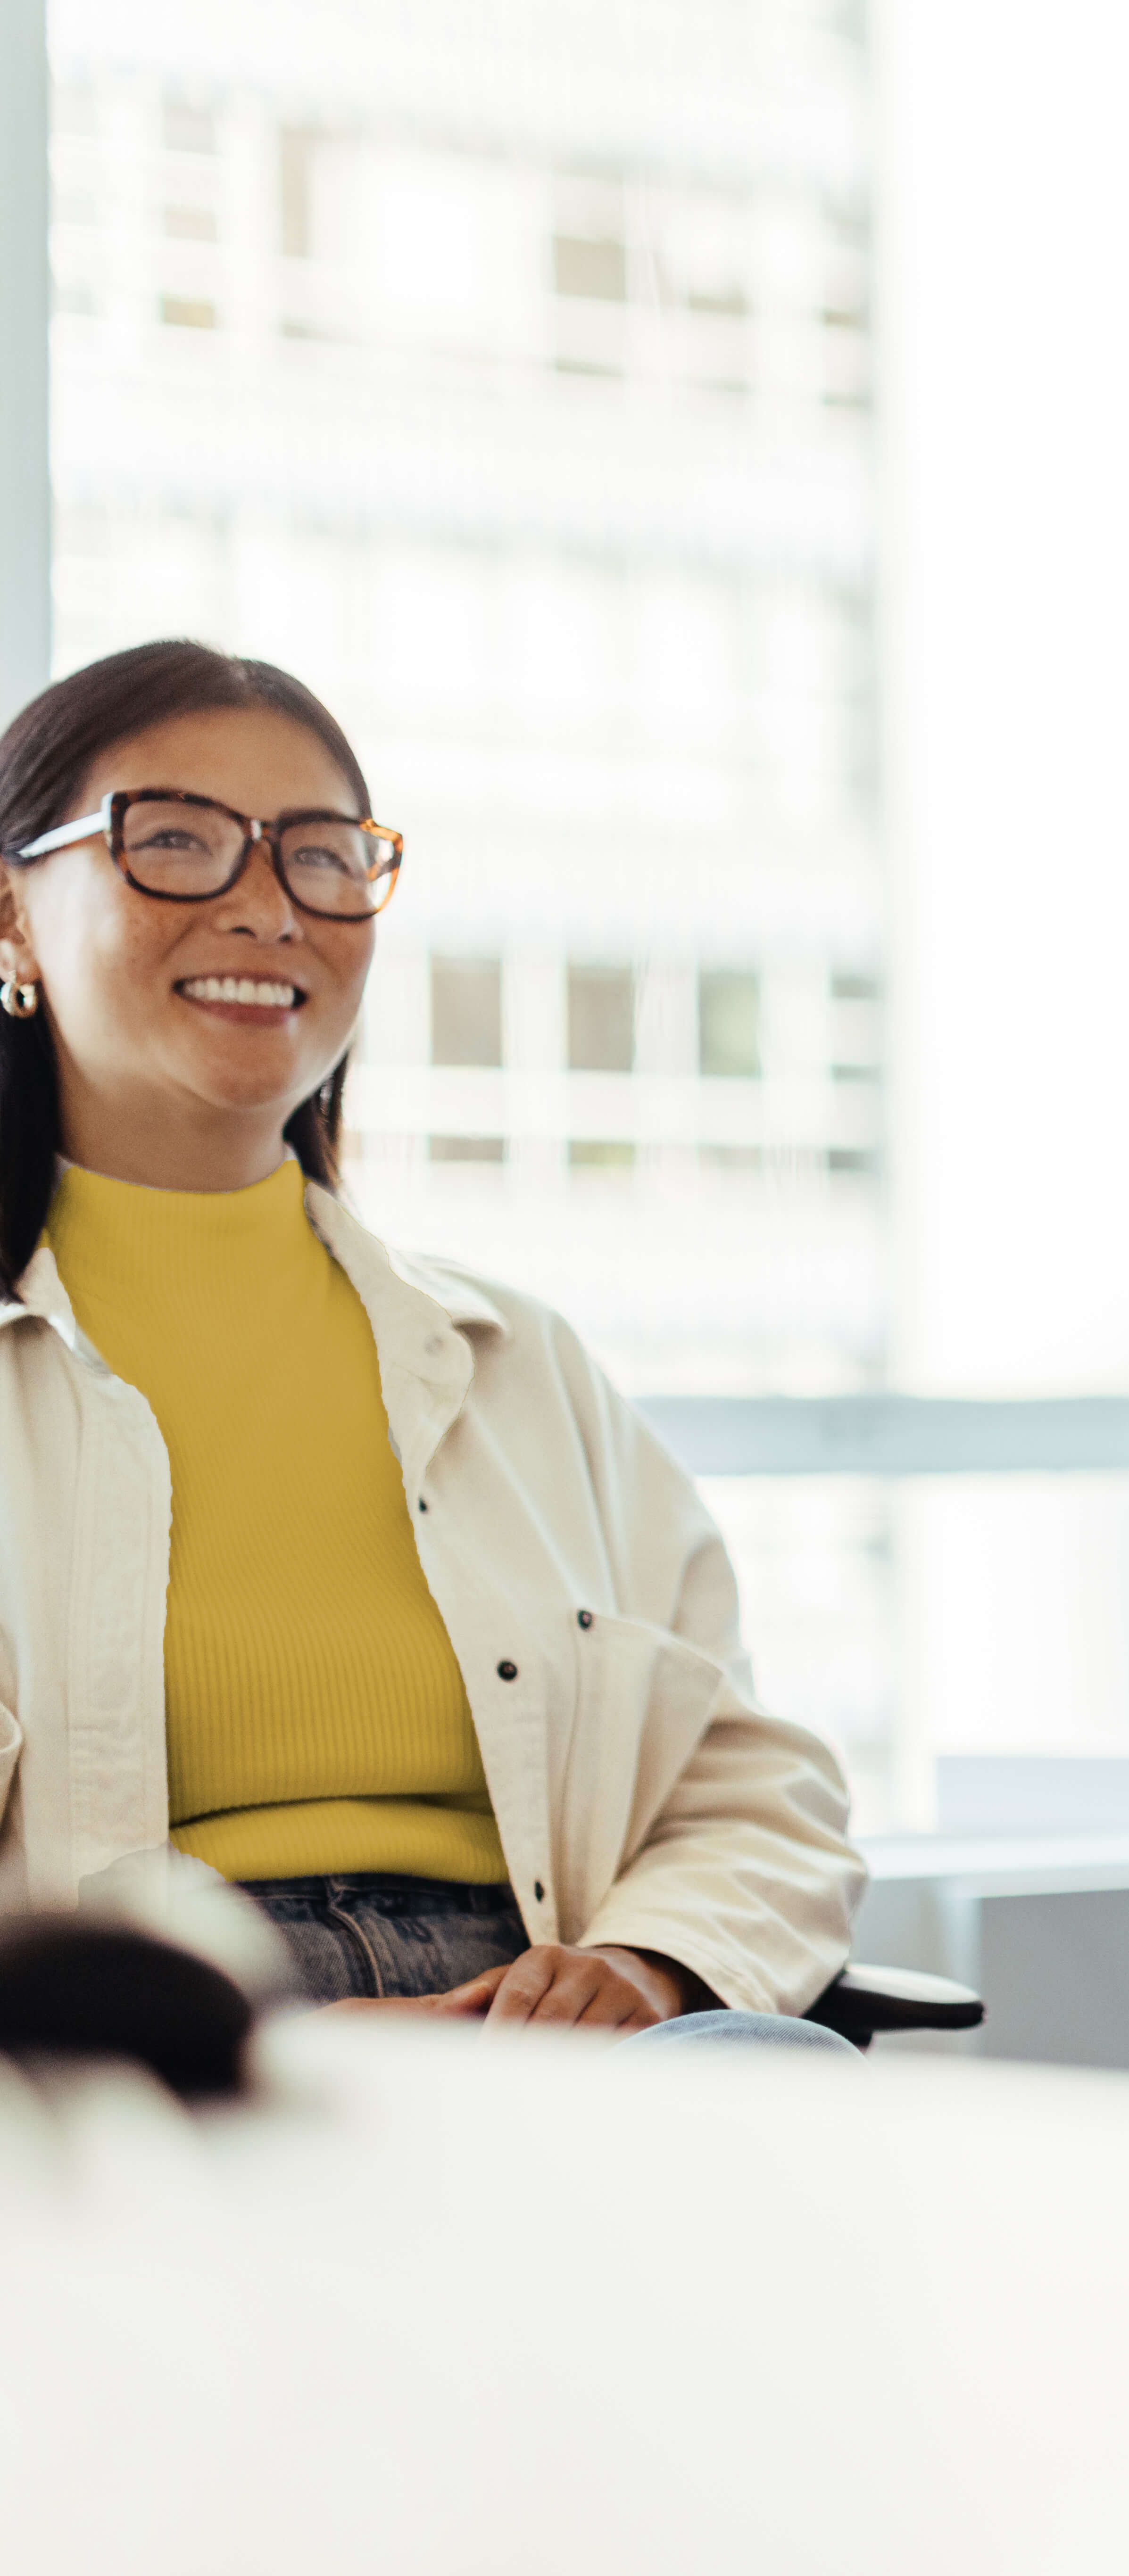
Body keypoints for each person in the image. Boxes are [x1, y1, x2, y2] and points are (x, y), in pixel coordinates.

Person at [0, 642, 863, 2050]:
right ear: (14, 917)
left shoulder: (520, 1363)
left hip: (532, 2036)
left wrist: (652, 1961)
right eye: (176, 844)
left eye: (324, 859)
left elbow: (751, 1790)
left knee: (766, 2062)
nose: (269, 907)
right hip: (142, 2044)